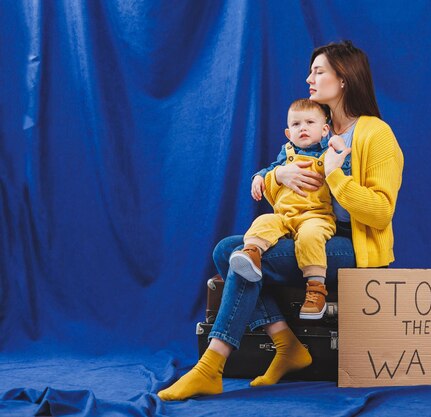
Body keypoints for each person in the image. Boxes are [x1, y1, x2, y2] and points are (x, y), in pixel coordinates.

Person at [158, 40, 404, 401]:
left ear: (345, 78)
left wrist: (336, 177)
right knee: (229, 249)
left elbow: (381, 212)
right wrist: (279, 177)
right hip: (305, 229)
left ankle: (211, 367)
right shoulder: (314, 128)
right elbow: (288, 199)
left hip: (350, 244)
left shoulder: (376, 134)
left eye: (318, 71)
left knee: (234, 256)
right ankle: (286, 344)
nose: (309, 78)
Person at [229, 98, 344, 320]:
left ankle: (316, 290)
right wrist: (260, 176)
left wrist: (340, 152)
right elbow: (272, 168)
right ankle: (251, 254)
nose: (303, 128)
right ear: (288, 133)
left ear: (324, 130)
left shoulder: (327, 154)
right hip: (284, 216)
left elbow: (343, 173)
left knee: (311, 237)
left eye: (310, 122)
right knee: (263, 221)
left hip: (315, 216)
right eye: (296, 124)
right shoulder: (287, 153)